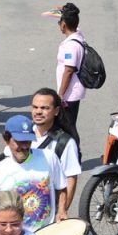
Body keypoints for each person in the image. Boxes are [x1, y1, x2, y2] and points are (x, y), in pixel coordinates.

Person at [0, 115, 67, 232]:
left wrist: (62, 210)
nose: (24, 146)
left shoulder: (49, 157)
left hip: (48, 232)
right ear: (7, 140)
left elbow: (61, 187)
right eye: (19, 141)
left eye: (27, 141)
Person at [31, 88, 80, 218]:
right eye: (35, 107)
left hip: (47, 215)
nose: (38, 112)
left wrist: (62, 210)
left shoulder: (65, 142)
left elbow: (71, 179)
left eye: (44, 108)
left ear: (56, 111)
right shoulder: (23, 135)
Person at [53, 3, 86, 129]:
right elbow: (74, 23)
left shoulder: (71, 46)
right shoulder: (78, 35)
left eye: (59, 22)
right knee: (68, 126)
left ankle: (73, 148)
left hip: (69, 94)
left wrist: (60, 95)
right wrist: (66, 10)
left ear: (64, 25)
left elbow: (69, 70)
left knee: (67, 127)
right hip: (70, 92)